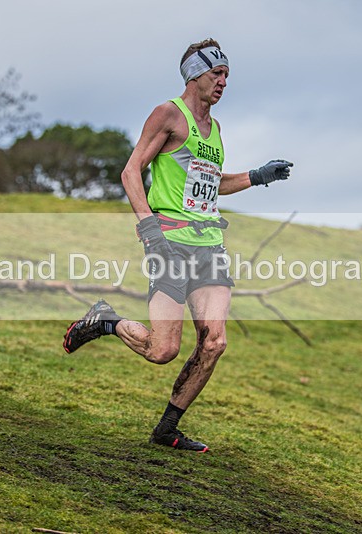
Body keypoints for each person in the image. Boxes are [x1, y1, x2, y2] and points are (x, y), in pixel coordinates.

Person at [63, 38, 292, 452]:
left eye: (226, 75)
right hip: (170, 243)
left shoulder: (215, 130)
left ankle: (166, 429)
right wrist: (148, 229)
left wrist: (259, 176)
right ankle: (106, 320)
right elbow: (131, 172)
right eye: (215, 74)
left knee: (215, 342)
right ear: (194, 75)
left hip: (209, 246)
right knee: (162, 349)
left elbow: (211, 185)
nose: (223, 82)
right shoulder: (169, 114)